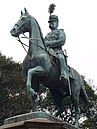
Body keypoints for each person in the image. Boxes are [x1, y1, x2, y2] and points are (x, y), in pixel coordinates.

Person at [44, 14, 69, 84]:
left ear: (57, 23)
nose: (51, 24)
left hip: (57, 51)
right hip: (47, 51)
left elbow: (61, 41)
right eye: (50, 22)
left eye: (52, 22)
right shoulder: (47, 35)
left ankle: (64, 73)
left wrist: (49, 43)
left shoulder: (61, 32)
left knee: (60, 57)